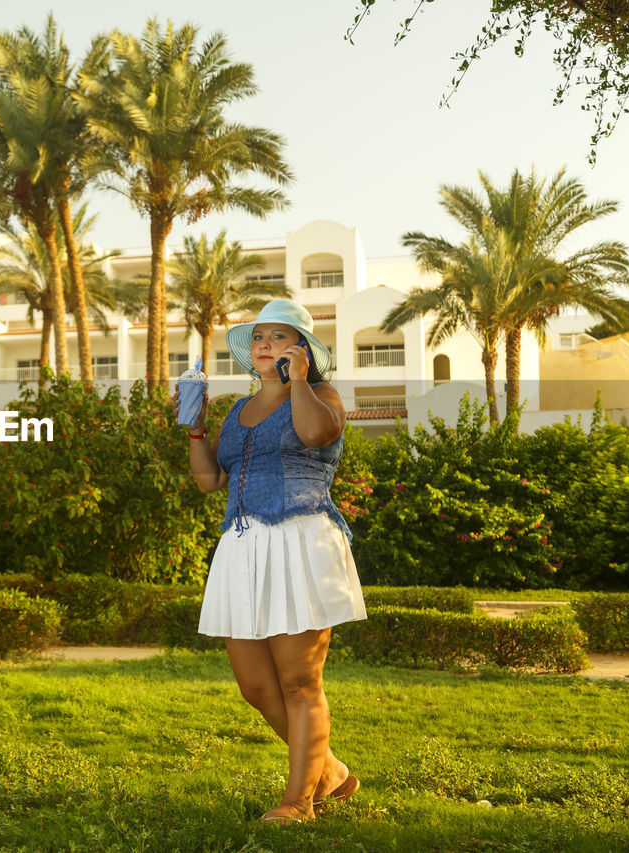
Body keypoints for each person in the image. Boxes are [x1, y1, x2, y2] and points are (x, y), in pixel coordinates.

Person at [172, 298, 366, 825]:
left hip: (301, 540)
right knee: (256, 686)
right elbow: (211, 481)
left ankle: (299, 802)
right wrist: (195, 429)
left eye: (279, 337)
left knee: (301, 683)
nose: (264, 344)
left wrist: (298, 380)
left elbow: (313, 435)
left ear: (303, 349)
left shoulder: (322, 396)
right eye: (259, 337)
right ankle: (328, 772)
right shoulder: (237, 411)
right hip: (243, 546)